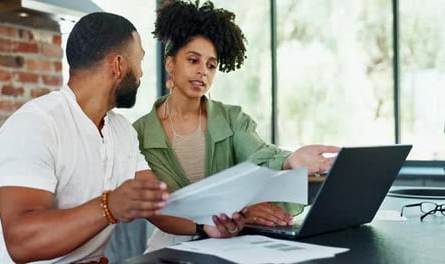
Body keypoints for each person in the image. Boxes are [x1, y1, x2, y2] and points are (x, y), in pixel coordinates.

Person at [133, 0, 340, 252]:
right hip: (173, 244)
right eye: (193, 60)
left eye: (211, 65)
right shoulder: (140, 134)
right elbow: (158, 206)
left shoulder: (232, 118)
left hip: (233, 242)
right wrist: (233, 210)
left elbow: (260, 155)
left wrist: (290, 162)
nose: (203, 72)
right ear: (170, 63)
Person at [0, 12, 173, 264]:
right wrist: (109, 207)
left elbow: (158, 201)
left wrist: (210, 224)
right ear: (117, 65)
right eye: (140, 61)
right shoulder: (36, 123)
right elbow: (21, 241)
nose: (142, 74)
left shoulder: (122, 131)